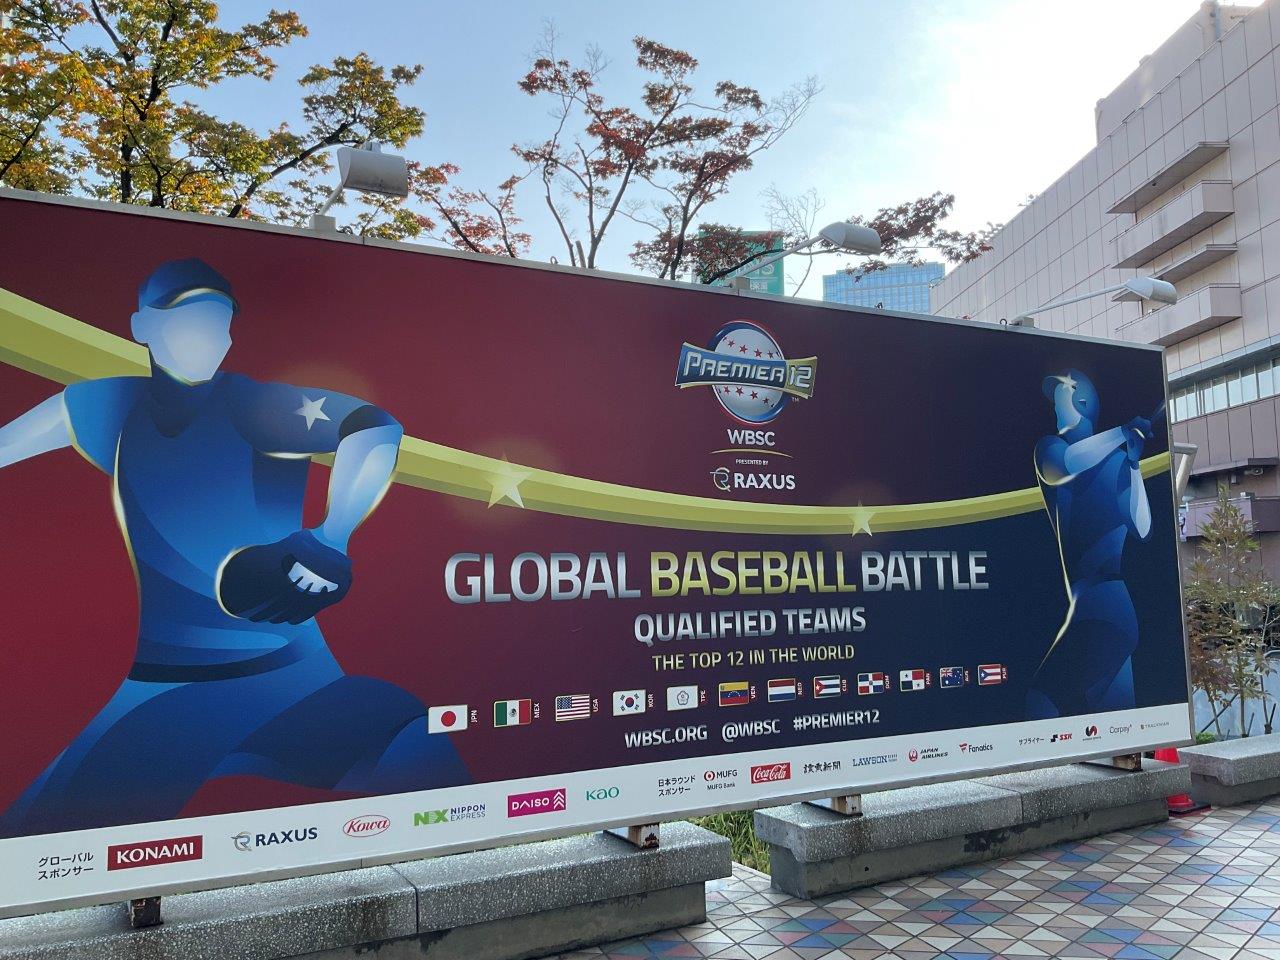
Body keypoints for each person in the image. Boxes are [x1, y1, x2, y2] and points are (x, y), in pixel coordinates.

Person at [0, 258, 466, 838]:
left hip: (294, 682)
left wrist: (331, 536)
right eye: (190, 319)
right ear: (142, 327)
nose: (210, 336)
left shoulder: (254, 405)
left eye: (220, 322)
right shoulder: (105, 406)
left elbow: (374, 427)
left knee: (415, 745)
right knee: (34, 842)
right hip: (161, 694)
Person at [1026, 369, 1154, 720]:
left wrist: (1133, 464)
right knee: (1118, 720)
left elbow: (1143, 528)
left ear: (1082, 402)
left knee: (1041, 701)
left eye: (1060, 398)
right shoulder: (1051, 449)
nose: (1055, 408)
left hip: (1102, 603)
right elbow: (1066, 465)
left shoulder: (1116, 459)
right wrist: (1120, 435)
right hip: (1108, 609)